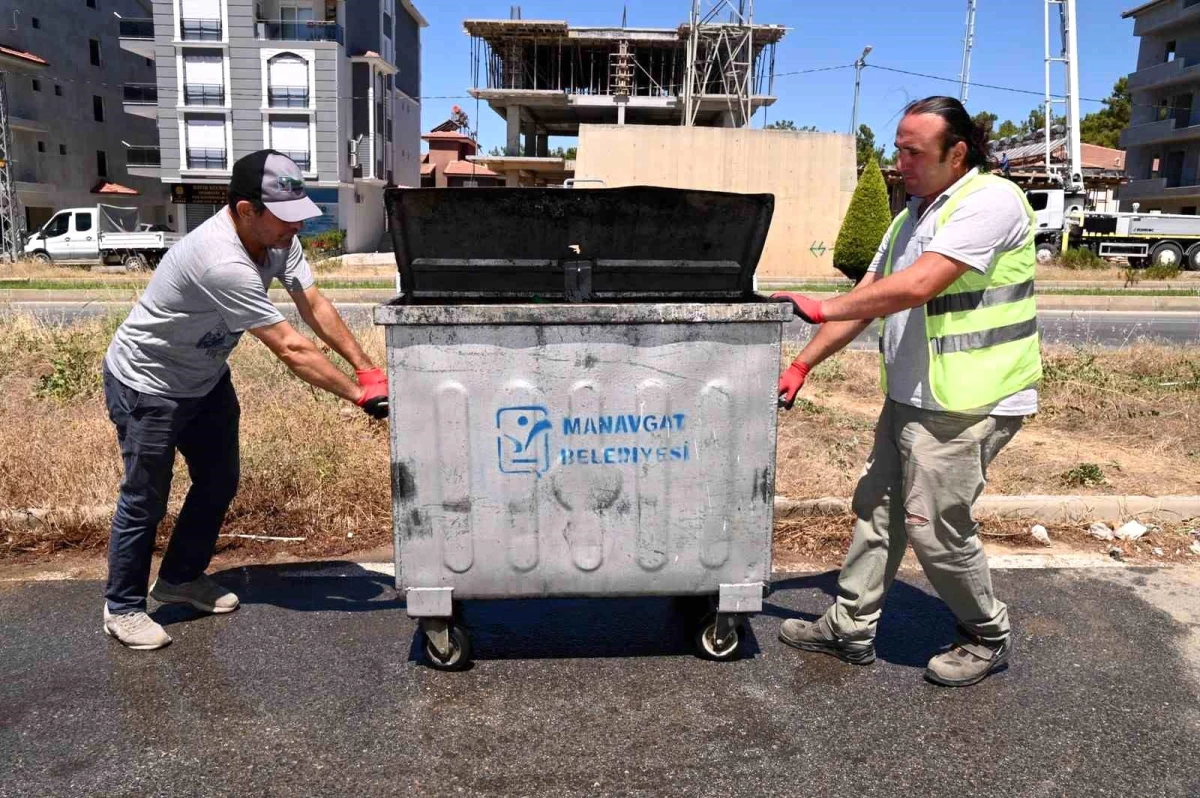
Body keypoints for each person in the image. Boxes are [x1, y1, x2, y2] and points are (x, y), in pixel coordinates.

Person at [772, 97, 1041, 687]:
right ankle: (850, 625)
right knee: (879, 508)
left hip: (970, 402)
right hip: (913, 395)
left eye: (913, 151)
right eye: (898, 149)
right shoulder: (909, 217)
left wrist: (823, 304)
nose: (900, 162)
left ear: (958, 152)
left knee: (934, 526)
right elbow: (870, 299)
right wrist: (803, 363)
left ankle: (986, 633)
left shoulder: (990, 201)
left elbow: (919, 285)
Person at [101, 150, 389, 650]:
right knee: (145, 498)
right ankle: (122, 607)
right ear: (245, 209)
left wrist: (367, 368)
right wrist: (358, 395)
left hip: (206, 380)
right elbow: (289, 346)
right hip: (148, 383)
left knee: (218, 480)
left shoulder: (279, 240)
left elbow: (314, 304)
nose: (294, 229)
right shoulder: (219, 259)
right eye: (285, 218)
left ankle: (180, 579)